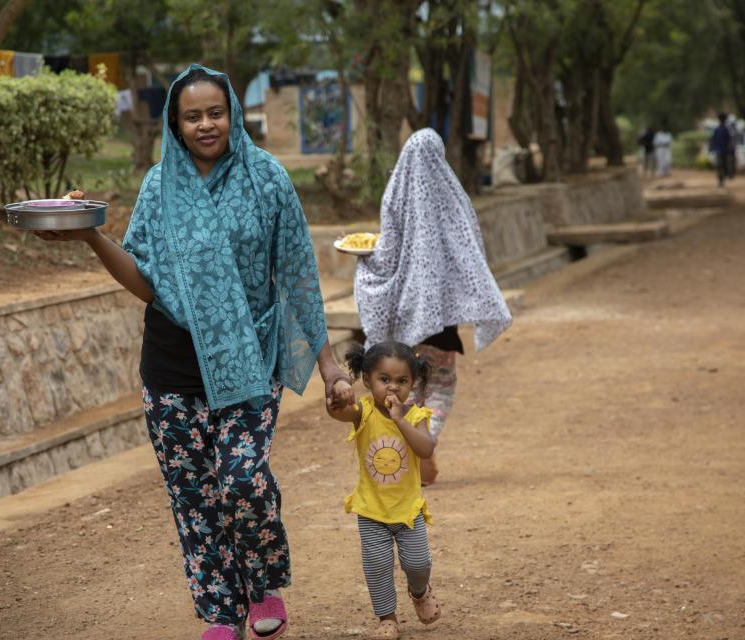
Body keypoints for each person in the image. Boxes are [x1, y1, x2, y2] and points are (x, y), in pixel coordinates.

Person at [34, 64, 354, 640]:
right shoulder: (160, 186)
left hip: (249, 362)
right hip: (171, 368)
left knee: (241, 481)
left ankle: (262, 582)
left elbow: (298, 274)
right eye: (192, 116)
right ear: (175, 124)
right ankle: (220, 613)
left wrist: (329, 365)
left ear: (232, 113)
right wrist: (88, 236)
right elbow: (147, 280)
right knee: (194, 497)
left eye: (215, 112)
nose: (206, 124)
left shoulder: (268, 179)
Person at [354, 128, 512, 486]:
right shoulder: (451, 193)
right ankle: (425, 442)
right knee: (441, 383)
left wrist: (367, 262)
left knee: (409, 384)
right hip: (442, 320)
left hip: (403, 319)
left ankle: (408, 443)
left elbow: (387, 249)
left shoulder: (395, 193)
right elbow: (469, 247)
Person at [326, 341, 441, 640]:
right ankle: (387, 618)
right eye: (384, 380)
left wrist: (399, 419)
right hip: (371, 509)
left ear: (413, 383)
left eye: (402, 381)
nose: (393, 388)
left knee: (417, 564)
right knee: (377, 565)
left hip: (407, 511)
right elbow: (343, 414)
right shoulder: (364, 411)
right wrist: (336, 405)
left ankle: (419, 590)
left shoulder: (416, 416)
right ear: (367, 381)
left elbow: (426, 448)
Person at [709, 112, 731, 188]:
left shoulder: (725, 130)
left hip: (724, 151)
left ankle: (723, 178)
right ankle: (720, 180)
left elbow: (728, 140)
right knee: (719, 165)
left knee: (723, 165)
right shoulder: (717, 130)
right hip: (718, 150)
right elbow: (713, 139)